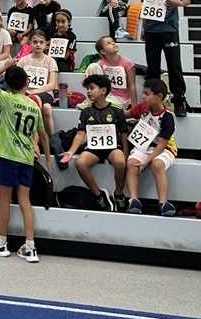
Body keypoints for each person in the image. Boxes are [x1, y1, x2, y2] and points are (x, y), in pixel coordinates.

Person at [0, 63, 45, 261]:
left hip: (9, 156)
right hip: (26, 157)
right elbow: (40, 133)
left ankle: (1, 243)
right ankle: (30, 246)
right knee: (25, 201)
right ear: (27, 83)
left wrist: (5, 65)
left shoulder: (7, 99)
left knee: (5, 200)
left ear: (7, 85)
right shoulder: (34, 105)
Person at [59, 73, 129, 212]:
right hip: (93, 147)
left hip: (112, 147)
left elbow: (123, 132)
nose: (88, 91)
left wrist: (126, 152)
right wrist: (71, 151)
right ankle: (98, 195)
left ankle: (119, 194)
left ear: (103, 90)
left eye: (92, 88)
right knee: (80, 163)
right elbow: (80, 133)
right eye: (87, 89)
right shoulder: (86, 111)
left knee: (120, 162)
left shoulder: (116, 110)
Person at [140, 0, 190, 118]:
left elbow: (187, 0)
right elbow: (145, 7)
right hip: (151, 31)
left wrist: (178, 3)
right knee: (152, 68)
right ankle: (153, 101)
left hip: (169, 30)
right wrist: (143, 27)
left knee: (174, 66)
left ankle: (179, 99)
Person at [125, 77, 178, 216]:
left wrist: (146, 162)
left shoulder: (167, 118)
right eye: (143, 93)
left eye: (147, 94)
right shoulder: (143, 108)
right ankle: (133, 201)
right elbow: (127, 114)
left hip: (164, 148)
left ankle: (163, 203)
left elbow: (161, 145)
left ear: (159, 96)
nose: (143, 97)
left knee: (157, 164)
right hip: (143, 146)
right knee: (131, 164)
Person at [14, 28, 58, 141]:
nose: (38, 45)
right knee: (47, 108)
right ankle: (38, 138)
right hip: (25, 93)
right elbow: (17, 80)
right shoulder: (23, 60)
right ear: (30, 43)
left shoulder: (50, 61)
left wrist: (33, 92)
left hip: (45, 93)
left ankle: (48, 139)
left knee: (37, 100)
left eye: (41, 42)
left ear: (46, 44)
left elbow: (53, 84)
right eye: (35, 42)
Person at [95, 35, 138, 109]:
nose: (113, 43)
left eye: (113, 41)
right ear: (103, 51)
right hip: (107, 95)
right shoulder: (100, 64)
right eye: (108, 43)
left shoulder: (127, 63)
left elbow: (132, 86)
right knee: (93, 66)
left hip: (122, 98)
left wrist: (134, 108)